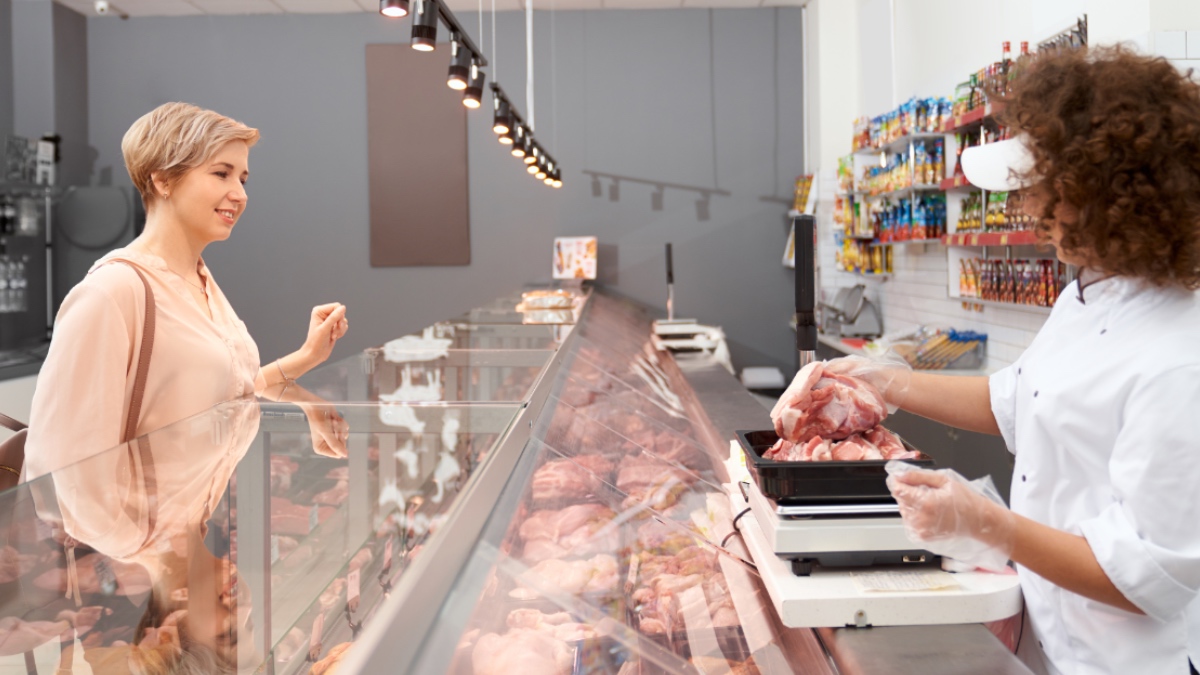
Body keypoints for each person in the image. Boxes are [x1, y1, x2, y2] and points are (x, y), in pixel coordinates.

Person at [836, 47, 1200, 674]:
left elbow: (1149, 576)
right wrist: (884, 381)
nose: (1028, 209)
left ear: (1112, 200)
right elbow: (1012, 399)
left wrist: (987, 523)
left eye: (1046, 190)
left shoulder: (1178, 358)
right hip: (1050, 637)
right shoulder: (1084, 296)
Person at [24, 102, 350, 480]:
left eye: (242, 179)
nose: (239, 194)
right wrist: (148, 539)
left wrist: (306, 359)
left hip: (186, 531)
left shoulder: (200, 280)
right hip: (140, 537)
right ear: (162, 180)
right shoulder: (111, 292)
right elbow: (59, 466)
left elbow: (219, 397)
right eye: (221, 174)